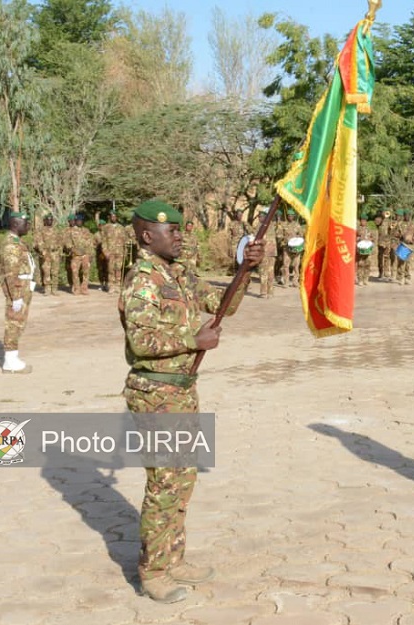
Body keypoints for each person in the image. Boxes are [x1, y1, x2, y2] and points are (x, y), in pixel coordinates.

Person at [118, 199, 264, 603]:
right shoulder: (141, 280)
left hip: (181, 390)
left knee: (183, 481)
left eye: (181, 229)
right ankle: (153, 572)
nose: (180, 236)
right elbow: (140, 342)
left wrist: (245, 270)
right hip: (155, 392)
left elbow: (222, 305)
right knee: (164, 483)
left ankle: (173, 559)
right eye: (172, 231)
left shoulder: (178, 274)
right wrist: (191, 340)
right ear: (148, 237)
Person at [1, 211, 36, 373]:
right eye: (25, 223)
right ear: (15, 225)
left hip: (23, 286)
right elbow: (10, 273)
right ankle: (10, 361)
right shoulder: (11, 244)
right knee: (14, 323)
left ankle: (13, 358)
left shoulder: (17, 241)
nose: (28, 226)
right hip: (18, 288)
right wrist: (15, 297)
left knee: (19, 323)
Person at [33, 213, 63, 296]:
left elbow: (60, 241)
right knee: (46, 272)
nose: (50, 221)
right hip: (46, 253)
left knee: (55, 272)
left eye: (51, 220)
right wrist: (43, 252)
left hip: (55, 253)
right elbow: (39, 242)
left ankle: (54, 289)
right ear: (44, 221)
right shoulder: (40, 230)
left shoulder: (56, 230)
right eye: (48, 220)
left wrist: (60, 252)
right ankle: (47, 289)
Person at [65, 213, 95, 294]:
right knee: (75, 273)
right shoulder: (71, 231)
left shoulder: (86, 231)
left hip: (86, 255)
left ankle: (84, 288)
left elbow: (90, 243)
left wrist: (91, 254)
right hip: (76, 256)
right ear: (75, 221)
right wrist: (72, 249)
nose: (79, 222)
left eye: (81, 221)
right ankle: (76, 288)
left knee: (86, 272)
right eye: (78, 220)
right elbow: (67, 243)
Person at [276, 208, 305, 288]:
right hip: (287, 248)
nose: (290, 217)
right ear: (287, 216)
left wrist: (297, 240)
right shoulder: (283, 225)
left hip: (296, 249)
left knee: (296, 265)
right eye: (289, 215)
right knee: (286, 265)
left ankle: (295, 281)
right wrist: (285, 239)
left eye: (292, 216)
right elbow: (278, 235)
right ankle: (286, 282)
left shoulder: (297, 224)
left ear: (294, 216)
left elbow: (301, 235)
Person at [100, 213, 128, 292]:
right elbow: (103, 241)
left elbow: (125, 241)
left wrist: (125, 252)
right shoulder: (106, 227)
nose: (113, 218)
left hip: (120, 252)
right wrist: (105, 252)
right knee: (110, 269)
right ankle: (111, 286)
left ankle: (118, 285)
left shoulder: (121, 228)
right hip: (110, 252)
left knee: (118, 268)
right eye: (112, 216)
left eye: (115, 216)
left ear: (117, 217)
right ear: (109, 217)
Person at [257, 207, 278, 298]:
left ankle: (265, 292)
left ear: (265, 217)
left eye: (261, 216)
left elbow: (256, 238)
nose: (259, 218)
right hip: (270, 252)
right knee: (268, 272)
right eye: (259, 216)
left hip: (266, 252)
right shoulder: (272, 225)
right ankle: (268, 292)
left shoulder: (261, 226)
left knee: (265, 272)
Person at [395, 210, 414, 285]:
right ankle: (400, 278)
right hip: (402, 244)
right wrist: (401, 235)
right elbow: (395, 234)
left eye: (408, 215)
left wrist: (412, 240)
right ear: (404, 216)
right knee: (401, 262)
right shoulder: (400, 224)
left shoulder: (413, 224)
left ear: (410, 215)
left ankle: (407, 278)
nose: (407, 216)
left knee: (408, 262)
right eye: (405, 215)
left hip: (410, 246)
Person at [355, 213, 374, 286]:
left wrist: (370, 239)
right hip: (360, 250)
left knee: (368, 264)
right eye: (362, 220)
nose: (363, 222)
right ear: (360, 221)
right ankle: (360, 279)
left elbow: (373, 238)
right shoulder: (357, 229)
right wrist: (359, 238)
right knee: (360, 264)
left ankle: (366, 279)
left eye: (365, 220)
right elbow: (354, 237)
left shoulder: (369, 229)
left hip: (368, 250)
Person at [375, 211, 392, 281]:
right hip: (381, 242)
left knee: (387, 257)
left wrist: (391, 226)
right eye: (384, 213)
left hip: (387, 242)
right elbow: (377, 223)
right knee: (380, 257)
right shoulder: (379, 220)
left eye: (386, 213)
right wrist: (381, 217)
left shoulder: (389, 221)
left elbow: (392, 229)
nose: (385, 214)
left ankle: (386, 272)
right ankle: (380, 272)